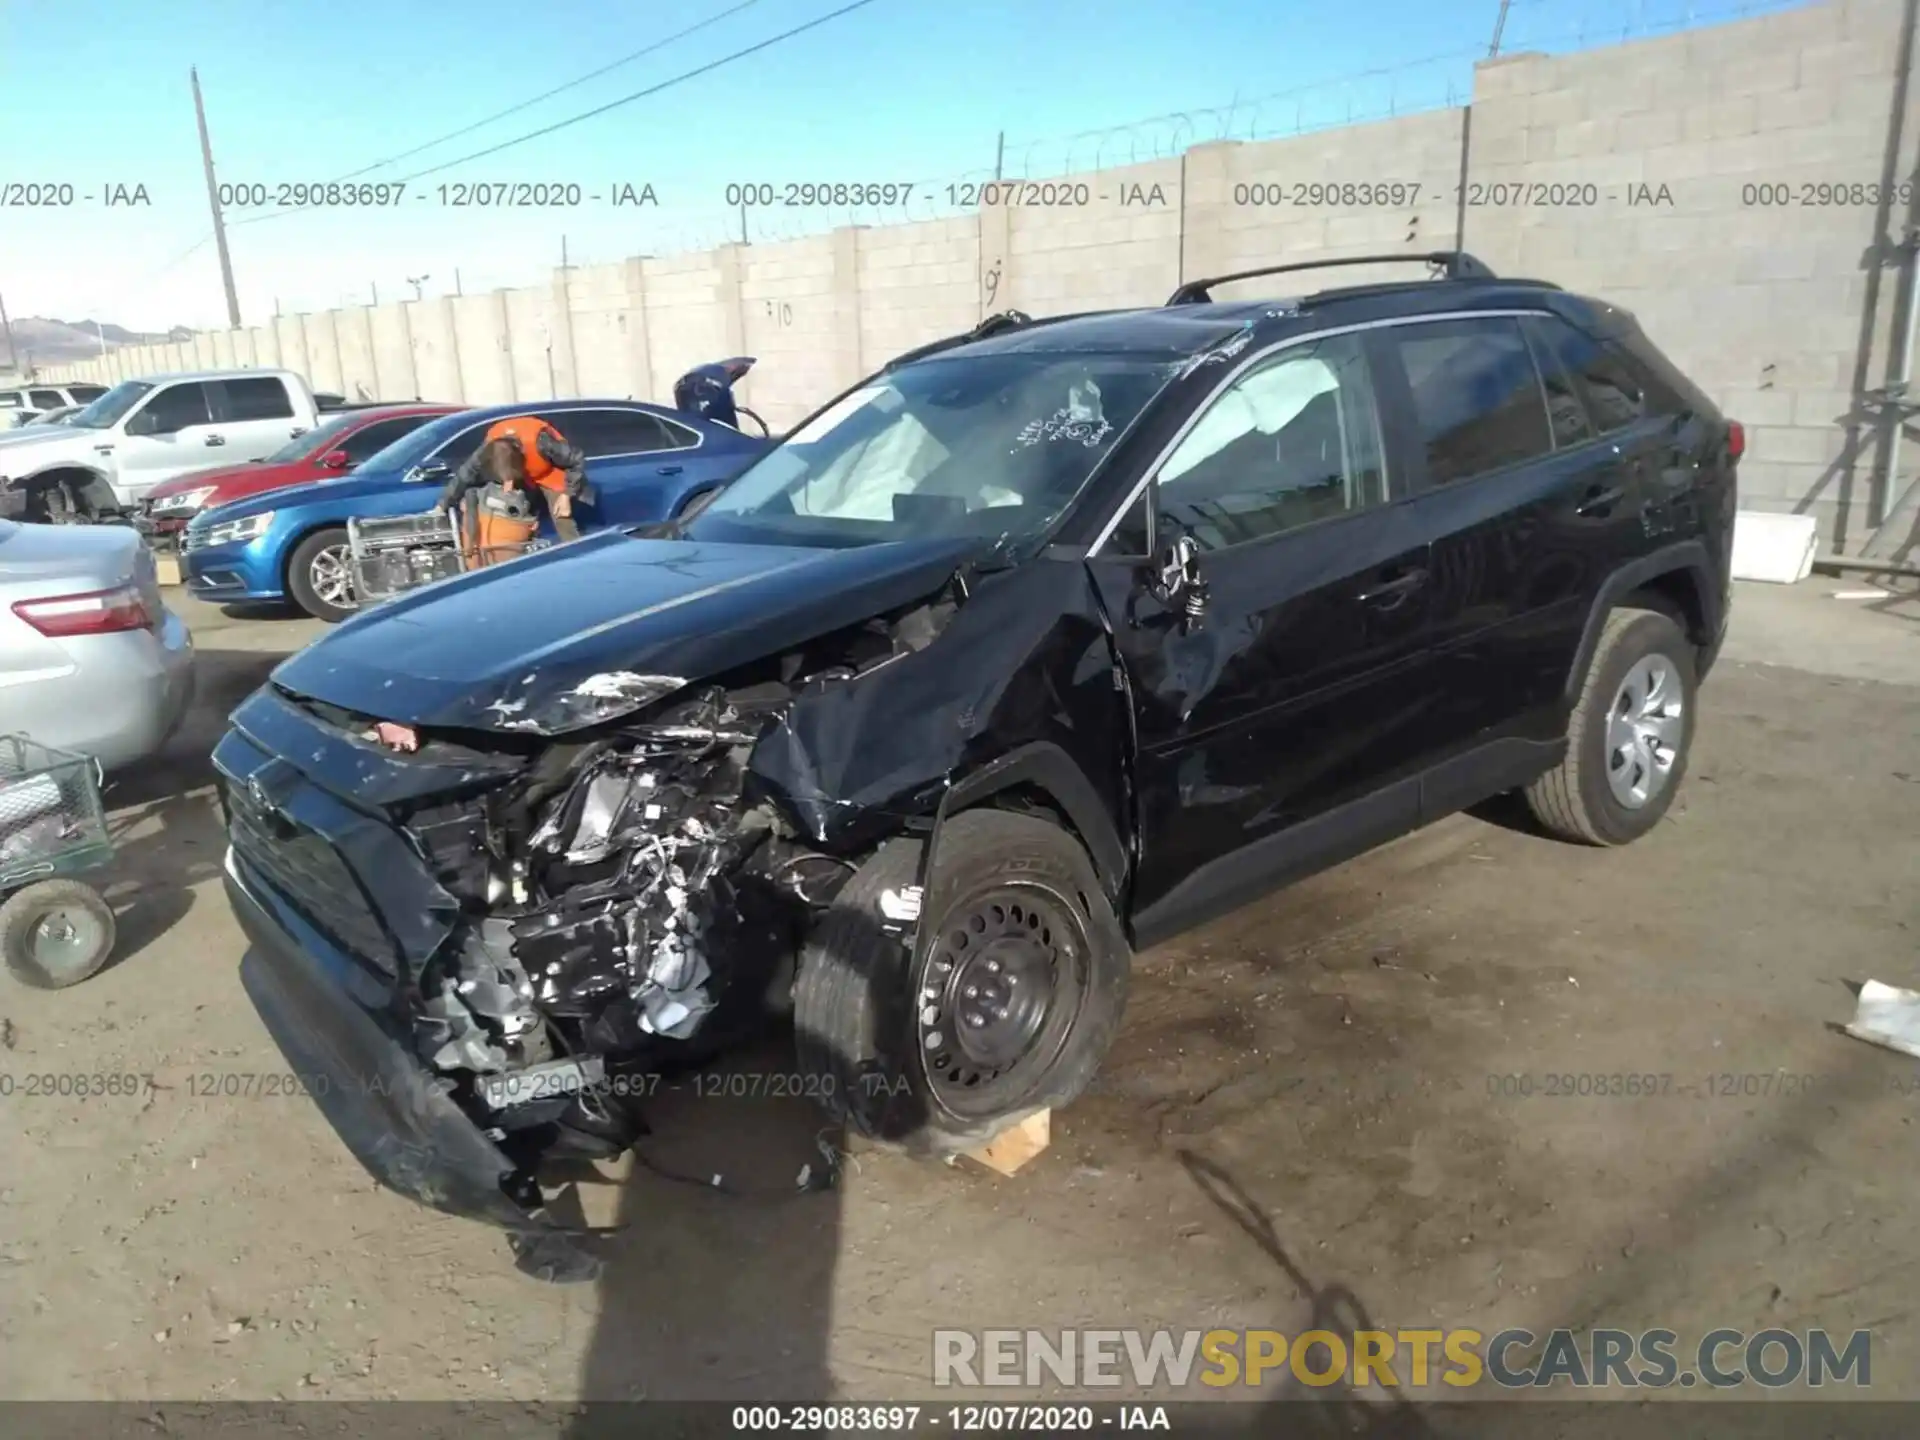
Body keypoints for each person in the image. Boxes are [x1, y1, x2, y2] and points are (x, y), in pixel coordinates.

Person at [434, 414, 594, 543]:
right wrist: (442, 505)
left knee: (561, 516)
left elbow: (577, 460)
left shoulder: (540, 441)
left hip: (550, 472)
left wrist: (567, 495)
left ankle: (577, 554)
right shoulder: (489, 447)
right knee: (508, 508)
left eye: (509, 479)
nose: (508, 487)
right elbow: (465, 474)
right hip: (525, 477)